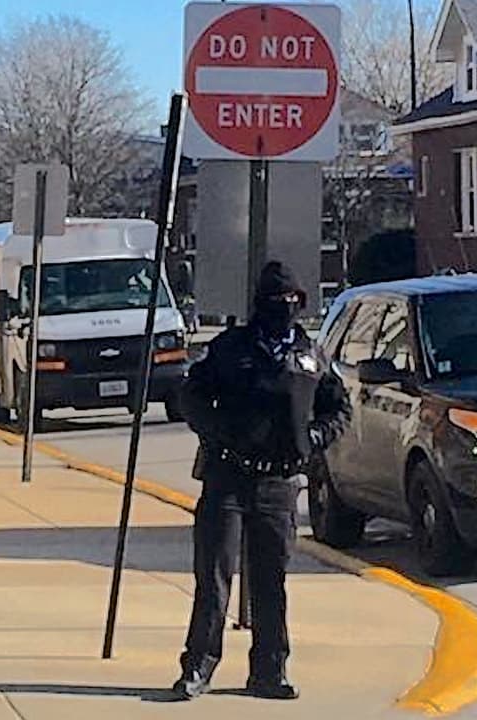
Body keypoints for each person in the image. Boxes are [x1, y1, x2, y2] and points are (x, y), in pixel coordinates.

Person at [171, 261, 351, 701]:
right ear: (260, 305)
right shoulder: (231, 349)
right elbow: (190, 394)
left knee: (271, 581)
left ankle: (270, 670)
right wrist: (217, 431)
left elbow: (338, 409)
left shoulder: (311, 355)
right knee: (214, 578)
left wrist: (312, 439)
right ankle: (198, 666)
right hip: (228, 477)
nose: (285, 308)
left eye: (293, 301)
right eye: (277, 301)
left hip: (279, 484)